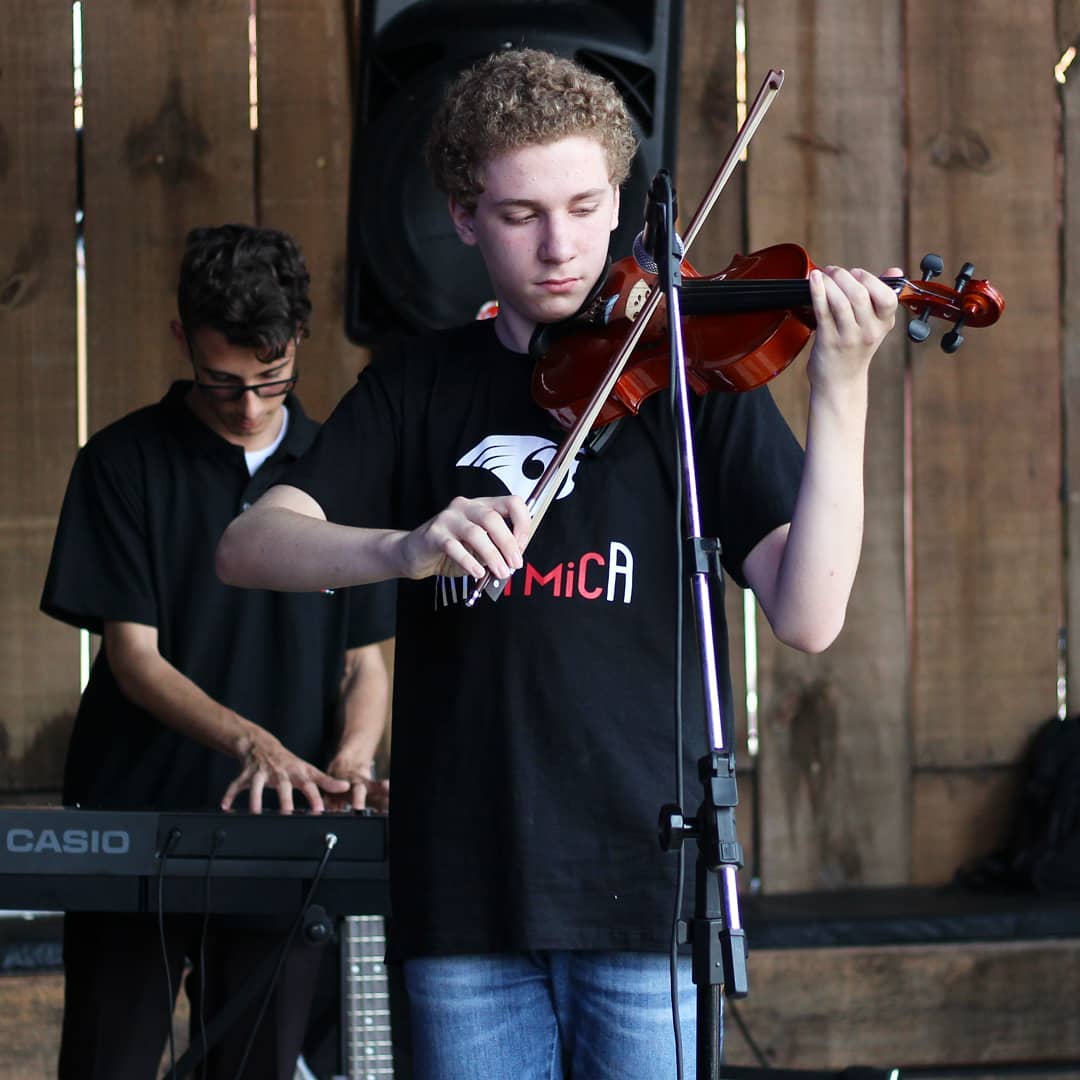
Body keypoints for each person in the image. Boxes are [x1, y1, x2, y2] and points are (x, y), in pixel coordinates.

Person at [215, 49, 900, 1080]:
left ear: (620, 199)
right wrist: (404, 545)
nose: (560, 247)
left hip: (643, 880)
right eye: (520, 215)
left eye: (585, 207)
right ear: (463, 218)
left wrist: (841, 389)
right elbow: (248, 545)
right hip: (464, 891)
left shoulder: (690, 377)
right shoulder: (418, 387)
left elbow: (809, 614)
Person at [40, 223, 395, 1080]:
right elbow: (135, 656)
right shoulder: (120, 463)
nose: (246, 405)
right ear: (183, 342)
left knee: (257, 1067)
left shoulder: (342, 470)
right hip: (136, 825)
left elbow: (368, 661)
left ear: (299, 343)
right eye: (222, 382)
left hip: (286, 837)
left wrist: (349, 758)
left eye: (270, 381)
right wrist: (255, 743)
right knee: (107, 1064)